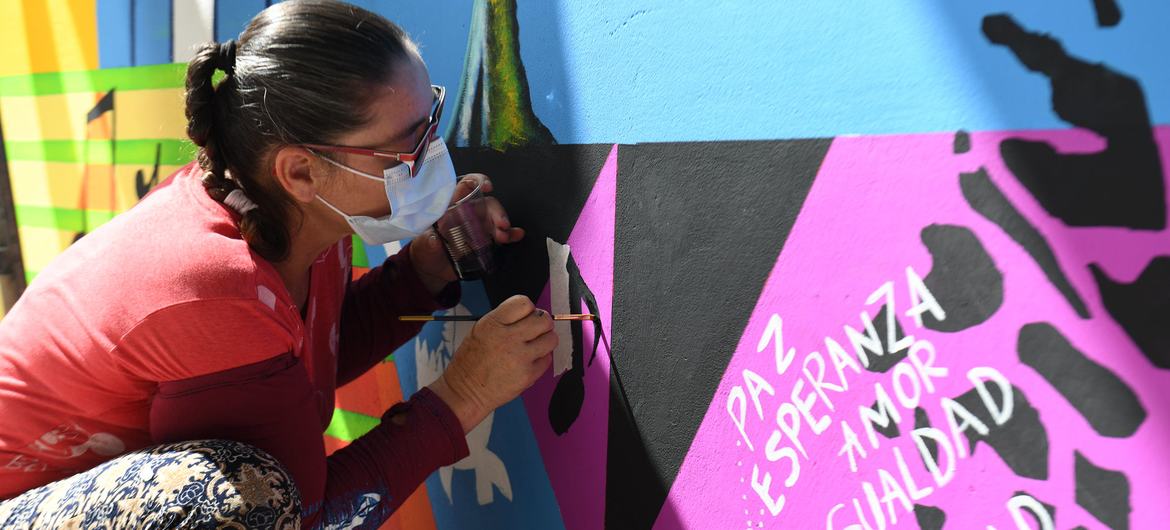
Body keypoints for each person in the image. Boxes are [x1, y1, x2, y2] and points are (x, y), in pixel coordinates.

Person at [0, 1, 557, 528]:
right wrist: (466, 396)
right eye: (409, 148)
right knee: (231, 501)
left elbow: (296, 367)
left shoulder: (289, 212)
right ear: (302, 174)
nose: (434, 158)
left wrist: (423, 271)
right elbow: (296, 519)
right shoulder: (213, 283)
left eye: (431, 118)